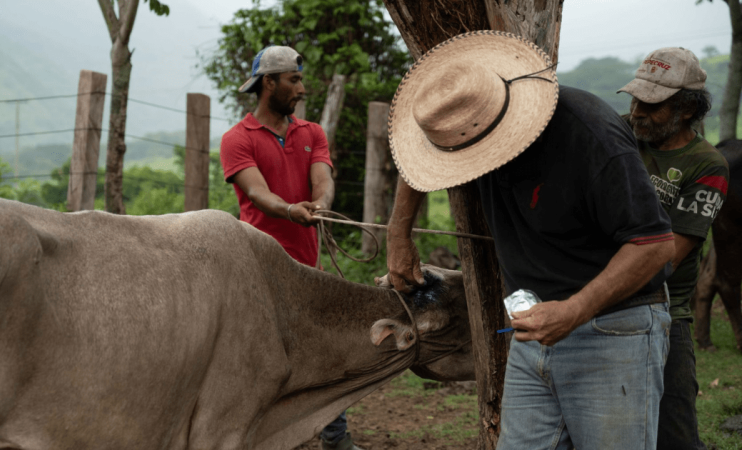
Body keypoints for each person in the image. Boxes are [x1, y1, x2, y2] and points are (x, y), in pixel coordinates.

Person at [385, 31, 675, 449]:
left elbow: (655, 245)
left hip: (613, 330)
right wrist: (398, 234)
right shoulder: (463, 124)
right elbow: (418, 161)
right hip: (532, 333)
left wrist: (573, 310)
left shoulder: (590, 136)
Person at [219, 45, 361, 450]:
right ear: (269, 83)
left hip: (308, 267)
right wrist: (289, 210)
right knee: (262, 361)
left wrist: (321, 204)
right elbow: (257, 193)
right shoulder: (236, 139)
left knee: (325, 352)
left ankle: (335, 438)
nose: (301, 88)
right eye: (294, 80)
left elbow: (323, 180)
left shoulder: (312, 133)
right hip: (259, 270)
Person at [618, 47, 728, 450]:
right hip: (597, 299)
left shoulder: (707, 164)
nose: (637, 113)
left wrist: (584, 292)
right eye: (635, 100)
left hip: (664, 309)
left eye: (652, 105)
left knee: (676, 435)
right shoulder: (621, 132)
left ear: (687, 109)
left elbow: (668, 257)